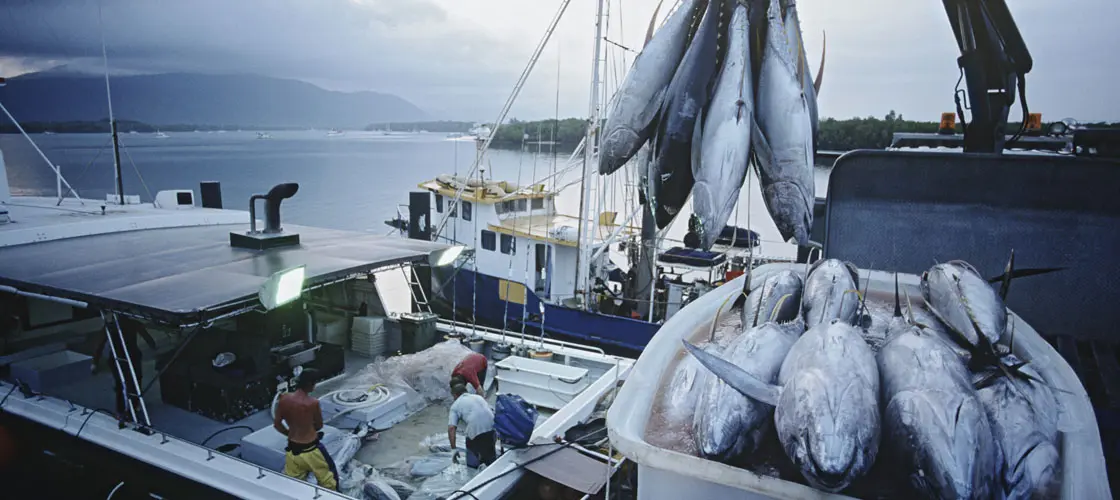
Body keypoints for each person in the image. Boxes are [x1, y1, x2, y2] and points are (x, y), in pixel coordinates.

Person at [273, 368, 339, 491]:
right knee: (329, 480)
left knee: (294, 483)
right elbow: (319, 426)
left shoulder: (283, 399)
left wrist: (290, 434)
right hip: (312, 450)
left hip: (292, 450)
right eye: (315, 383)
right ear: (310, 384)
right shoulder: (312, 403)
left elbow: (277, 425)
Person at [91, 316, 156, 422]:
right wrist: (152, 345)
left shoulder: (110, 326)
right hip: (128, 356)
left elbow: (100, 345)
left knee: (123, 383)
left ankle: (124, 409)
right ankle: (128, 408)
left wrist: (95, 362)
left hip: (123, 357)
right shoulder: (131, 324)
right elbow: (147, 337)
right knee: (131, 382)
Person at [448, 383, 496, 467]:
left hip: (475, 431)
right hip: (492, 428)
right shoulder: (478, 397)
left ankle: (473, 467)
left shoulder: (455, 406)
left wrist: (454, 449)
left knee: (472, 460)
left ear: (455, 395)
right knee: (490, 457)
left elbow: (451, 428)